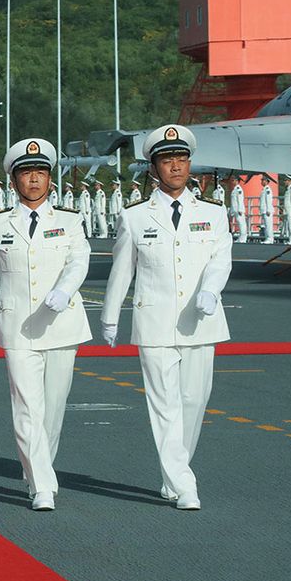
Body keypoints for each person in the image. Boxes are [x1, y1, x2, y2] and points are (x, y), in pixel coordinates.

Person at [0, 139, 91, 512]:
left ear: (50, 180)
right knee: (27, 406)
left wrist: (63, 291)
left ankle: (38, 467)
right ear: (13, 181)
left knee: (53, 409)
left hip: (62, 324)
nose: (34, 180)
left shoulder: (71, 221)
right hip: (18, 328)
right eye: (26, 174)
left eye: (40, 173)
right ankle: (42, 484)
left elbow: (79, 263)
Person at [102, 124, 231, 511]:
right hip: (154, 322)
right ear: (154, 169)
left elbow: (220, 259)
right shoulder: (135, 217)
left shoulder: (214, 213)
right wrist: (109, 317)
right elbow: (122, 271)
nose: (176, 166)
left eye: (181, 158)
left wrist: (210, 291)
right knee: (165, 406)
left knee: (194, 402)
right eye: (167, 160)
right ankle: (185, 484)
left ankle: (174, 475)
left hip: (200, 320)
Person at [230, 177, 248, 242]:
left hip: (238, 210)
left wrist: (240, 209)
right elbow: (233, 201)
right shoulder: (235, 189)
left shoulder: (238, 189)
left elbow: (240, 200)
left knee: (242, 224)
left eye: (233, 180)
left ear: (237, 181)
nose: (232, 182)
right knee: (240, 224)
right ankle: (241, 237)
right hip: (236, 210)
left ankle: (243, 238)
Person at [260, 176, 276, 243]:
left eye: (263, 180)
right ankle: (268, 238)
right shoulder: (264, 189)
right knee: (266, 225)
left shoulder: (267, 189)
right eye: (262, 180)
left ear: (266, 181)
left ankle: (270, 238)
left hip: (267, 210)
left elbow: (268, 200)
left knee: (268, 225)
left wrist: (268, 210)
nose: (262, 182)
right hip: (265, 210)